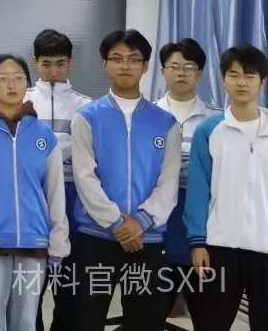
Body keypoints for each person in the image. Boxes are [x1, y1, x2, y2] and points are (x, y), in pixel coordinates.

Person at [69, 29, 180, 330]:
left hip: (148, 237)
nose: (125, 65)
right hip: (97, 236)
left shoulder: (166, 123)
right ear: (105, 64)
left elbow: (169, 183)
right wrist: (118, 223)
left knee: (145, 321)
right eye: (116, 58)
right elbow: (85, 178)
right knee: (86, 318)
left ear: (145, 66)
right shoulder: (87, 117)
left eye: (133, 59)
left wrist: (140, 222)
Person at [0, 54, 69, 331]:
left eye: (18, 77)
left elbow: (55, 192)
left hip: (34, 240)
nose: (11, 84)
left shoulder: (44, 134)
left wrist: (57, 241)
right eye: (2, 78)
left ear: (27, 83)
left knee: (26, 320)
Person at [184, 45, 268, 331]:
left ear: (262, 81)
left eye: (250, 75)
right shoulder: (209, 130)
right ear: (223, 81)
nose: (242, 82)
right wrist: (198, 242)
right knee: (211, 324)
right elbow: (198, 189)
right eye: (234, 75)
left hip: (265, 249)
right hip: (219, 249)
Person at [26, 27, 92, 331]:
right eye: (47, 64)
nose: (54, 71)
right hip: (31, 195)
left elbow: (89, 155)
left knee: (69, 281)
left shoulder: (86, 106)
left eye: (60, 64)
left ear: (71, 63)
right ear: (35, 62)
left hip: (73, 195)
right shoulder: (22, 101)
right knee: (30, 281)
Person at [154, 38, 217, 316]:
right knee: (153, 304)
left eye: (189, 67)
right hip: (156, 214)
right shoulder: (147, 115)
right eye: (175, 66)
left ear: (200, 73)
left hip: (201, 213)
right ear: (162, 71)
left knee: (206, 308)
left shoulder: (216, 119)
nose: (181, 73)